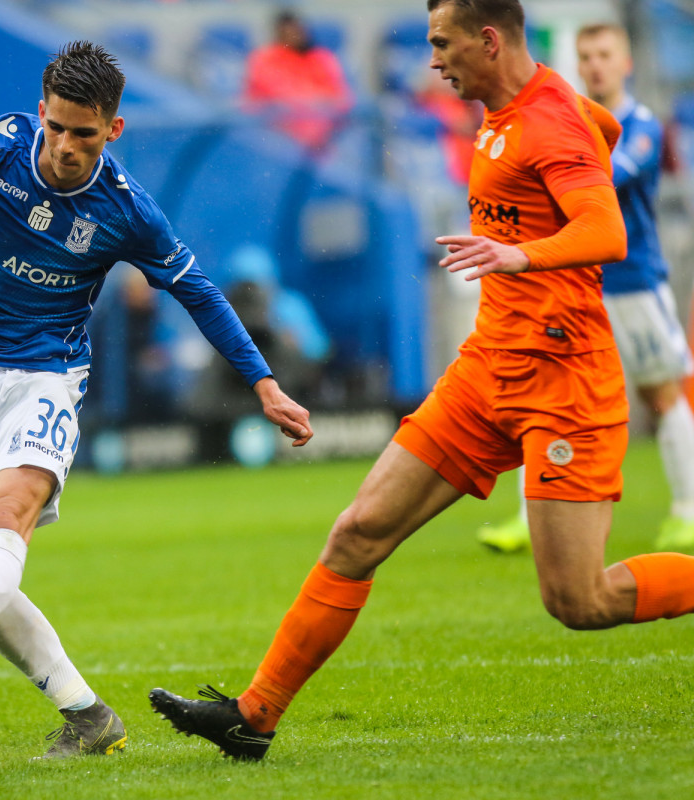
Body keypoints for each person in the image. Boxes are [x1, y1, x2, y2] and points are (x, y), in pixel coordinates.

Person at [150, 0, 694, 761]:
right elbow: (595, 129)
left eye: (443, 43)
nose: (431, 59)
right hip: (486, 370)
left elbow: (605, 228)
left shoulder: (550, 120)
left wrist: (519, 254)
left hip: (563, 382)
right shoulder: (519, 110)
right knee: (357, 533)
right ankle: (253, 716)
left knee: (580, 600)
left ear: (489, 40)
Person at [0, 41, 312, 758]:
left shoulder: (126, 209)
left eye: (85, 133)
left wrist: (263, 381)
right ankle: (88, 717)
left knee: (5, 521)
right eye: (57, 127)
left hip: (45, 380)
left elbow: (198, 291)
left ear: (114, 129)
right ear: (40, 111)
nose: (67, 146)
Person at [478, 22, 694, 554]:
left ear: (626, 63)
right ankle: (528, 519)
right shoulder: (570, 121)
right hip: (573, 285)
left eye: (604, 54)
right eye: (586, 56)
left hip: (633, 283)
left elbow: (601, 178)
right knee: (546, 394)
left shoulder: (641, 127)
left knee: (662, 394)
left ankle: (688, 512)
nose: (595, 65)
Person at [242, 10, 354, 152]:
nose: (295, 35)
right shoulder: (265, 59)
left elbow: (341, 98)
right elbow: (280, 97)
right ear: (279, 34)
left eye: (298, 30)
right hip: (276, 138)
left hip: (325, 138)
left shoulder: (321, 58)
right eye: (289, 31)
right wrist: (315, 99)